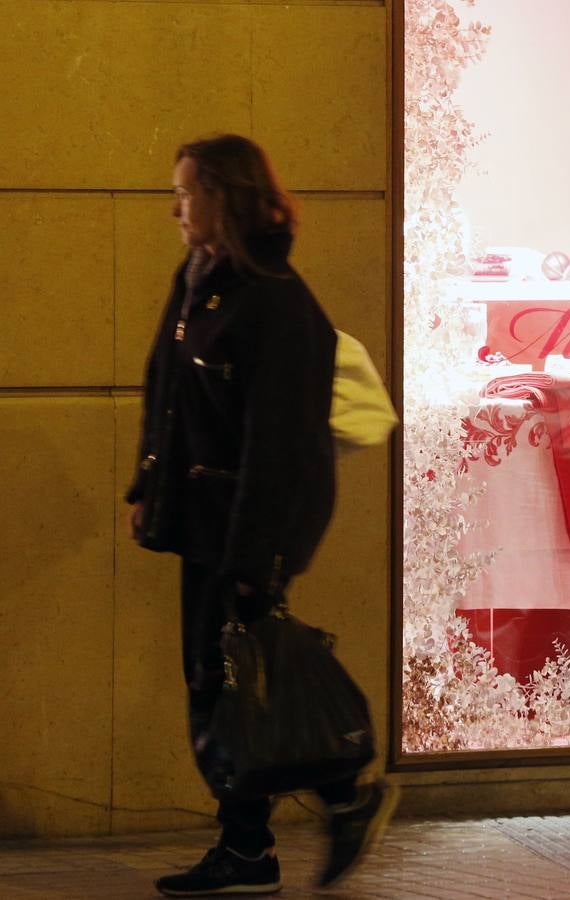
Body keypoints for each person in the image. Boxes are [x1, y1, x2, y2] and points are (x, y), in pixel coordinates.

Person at [127, 134, 396, 896]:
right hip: (200, 517)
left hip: (244, 526)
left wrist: (254, 563)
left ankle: (344, 789)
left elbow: (281, 450)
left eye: (186, 192)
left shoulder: (274, 301)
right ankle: (251, 847)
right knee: (219, 683)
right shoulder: (202, 279)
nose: (175, 208)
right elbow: (166, 390)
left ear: (223, 196)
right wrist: (147, 486)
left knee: (238, 682)